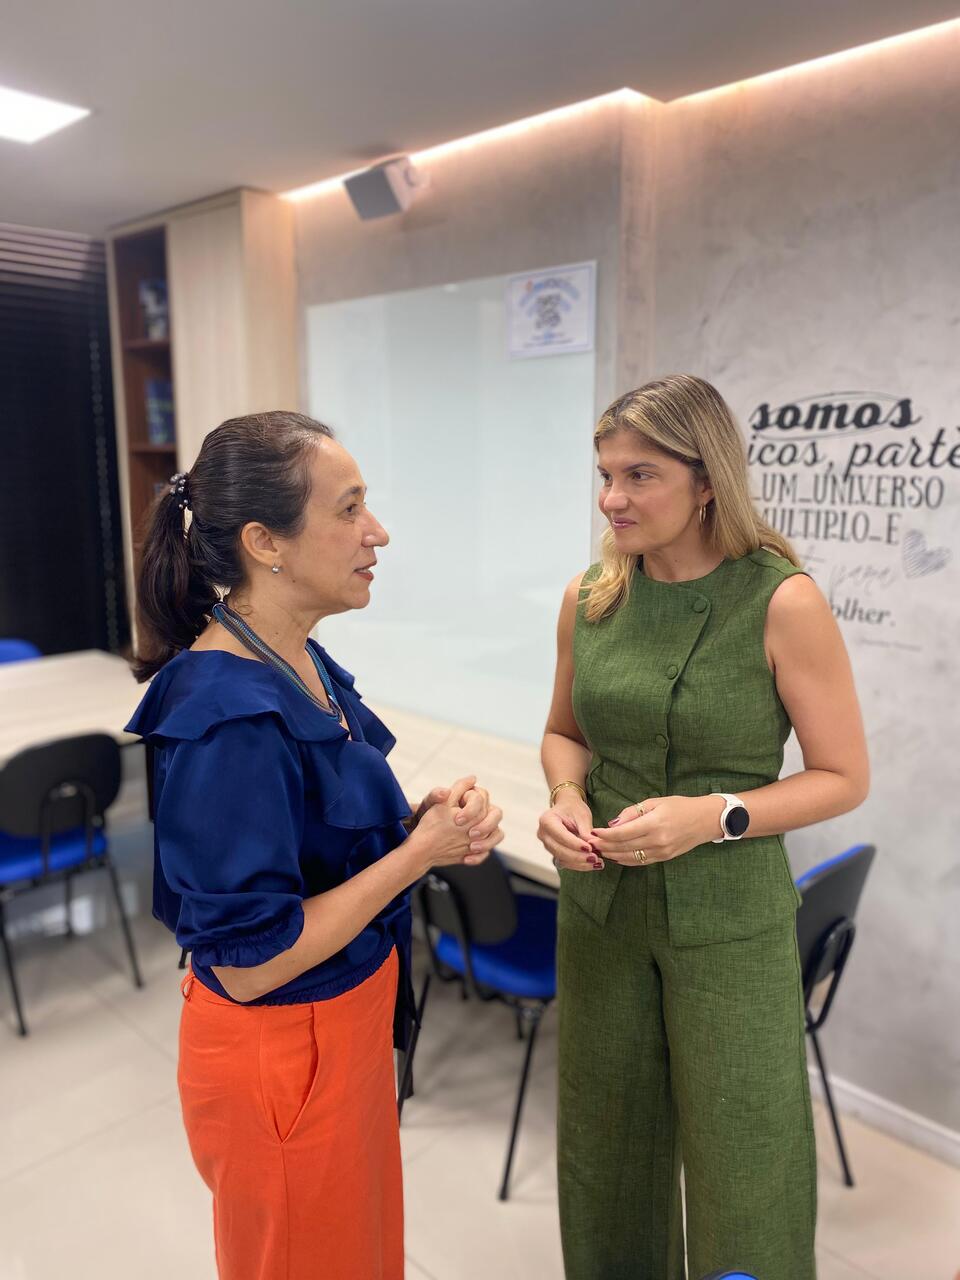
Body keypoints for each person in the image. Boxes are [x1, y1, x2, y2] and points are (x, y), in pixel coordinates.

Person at [126, 411, 504, 1280]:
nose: (378, 533)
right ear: (265, 542)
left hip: (346, 1026)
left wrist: (418, 827)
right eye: (349, 509)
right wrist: (414, 858)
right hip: (283, 1057)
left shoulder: (298, 659)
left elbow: (316, 839)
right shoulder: (227, 718)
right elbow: (251, 963)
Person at [537, 375, 869, 1280]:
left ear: (707, 480)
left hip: (730, 921)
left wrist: (715, 815)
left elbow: (844, 778)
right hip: (602, 911)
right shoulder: (591, 596)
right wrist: (566, 798)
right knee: (606, 1152)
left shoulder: (782, 600)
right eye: (606, 475)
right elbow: (564, 733)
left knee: (746, 1164)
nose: (613, 498)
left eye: (640, 475)